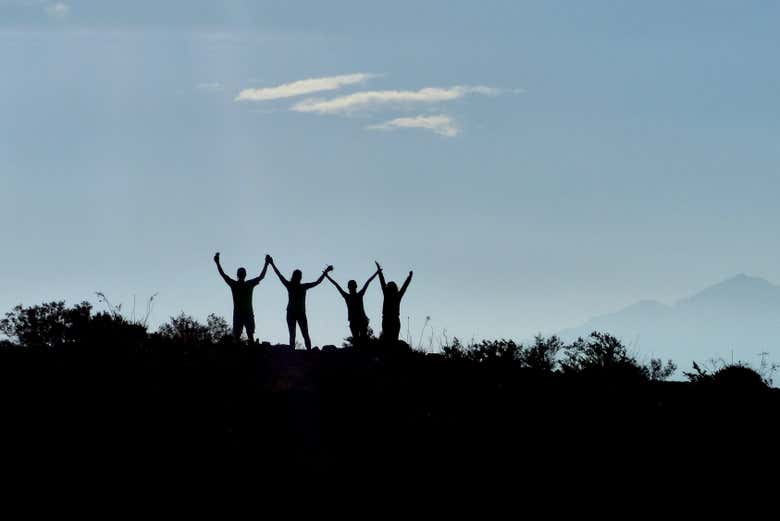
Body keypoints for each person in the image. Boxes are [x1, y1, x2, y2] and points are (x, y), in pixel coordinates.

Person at [267, 255, 332, 350]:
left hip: (298, 313)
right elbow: (279, 275)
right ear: (298, 277)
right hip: (294, 313)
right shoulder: (296, 286)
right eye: (298, 276)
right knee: (297, 334)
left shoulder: (295, 286)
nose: (299, 277)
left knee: (301, 334)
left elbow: (317, 282)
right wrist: (272, 264)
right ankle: (301, 352)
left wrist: (325, 272)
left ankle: (305, 351)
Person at [214, 252, 269, 343]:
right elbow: (261, 276)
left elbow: (223, 275)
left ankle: (246, 351)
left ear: (238, 274)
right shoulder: (247, 284)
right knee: (246, 335)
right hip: (244, 313)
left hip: (242, 313)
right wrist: (266, 264)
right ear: (245, 274)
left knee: (242, 336)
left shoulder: (236, 284)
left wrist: (217, 263)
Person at [325, 267, 380, 346]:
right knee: (359, 340)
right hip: (356, 321)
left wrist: (377, 272)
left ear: (351, 287)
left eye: (351, 286)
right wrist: (377, 272)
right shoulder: (354, 296)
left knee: (360, 340)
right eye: (351, 286)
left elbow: (336, 285)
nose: (351, 288)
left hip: (359, 320)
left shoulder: (352, 296)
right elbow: (368, 282)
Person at [375, 261, 413, 343]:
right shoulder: (394, 295)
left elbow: (404, 286)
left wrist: (409, 277)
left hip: (391, 319)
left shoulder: (392, 295)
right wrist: (409, 277)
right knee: (390, 341)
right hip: (389, 319)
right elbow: (382, 281)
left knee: (390, 341)